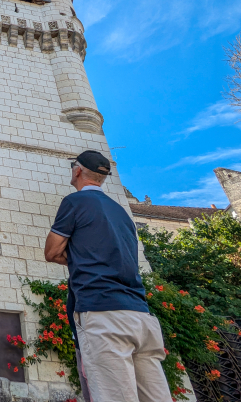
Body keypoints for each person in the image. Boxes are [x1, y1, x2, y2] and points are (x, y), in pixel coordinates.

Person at [44, 150, 171, 402]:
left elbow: (52, 251)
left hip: (104, 317)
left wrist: (82, 256)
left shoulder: (75, 202)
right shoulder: (121, 212)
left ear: (77, 170)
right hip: (141, 317)